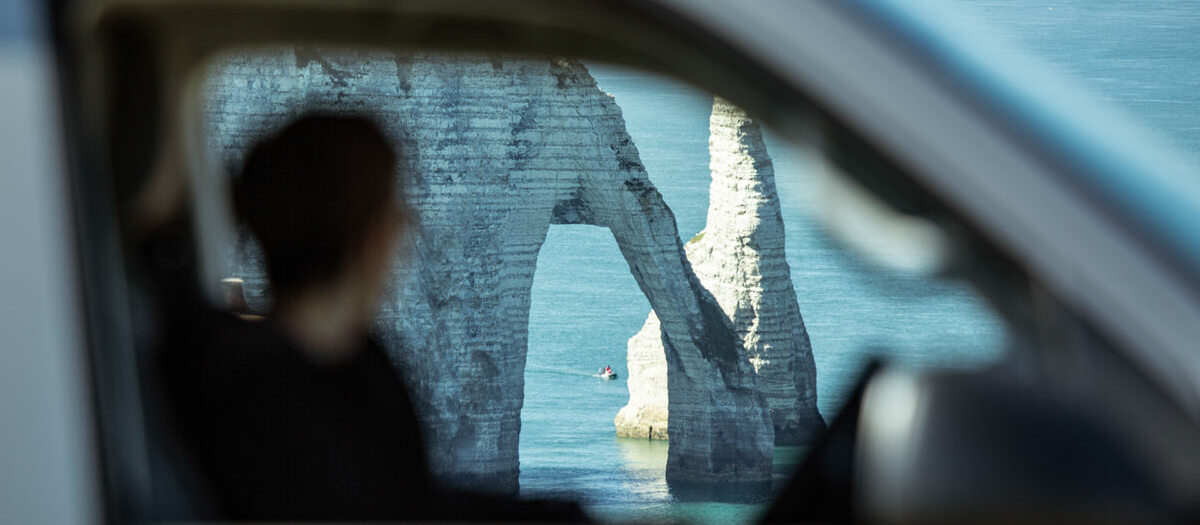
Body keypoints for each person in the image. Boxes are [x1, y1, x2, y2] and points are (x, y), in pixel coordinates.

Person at [161, 115, 428, 520]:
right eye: (394, 206)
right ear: (374, 239)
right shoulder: (268, 408)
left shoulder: (350, 359)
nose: (408, 225)